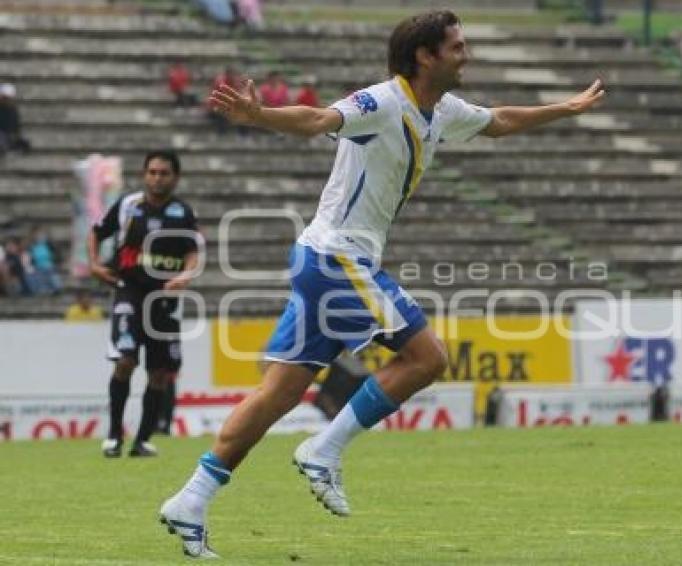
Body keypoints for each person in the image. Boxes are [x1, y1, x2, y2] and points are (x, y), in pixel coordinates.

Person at [158, 10, 604, 558]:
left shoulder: (440, 110)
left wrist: (569, 107)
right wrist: (261, 115)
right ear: (426, 56)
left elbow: (502, 121)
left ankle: (192, 499)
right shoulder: (381, 102)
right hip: (336, 258)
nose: (467, 55)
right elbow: (319, 119)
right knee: (427, 358)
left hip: (323, 259)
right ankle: (324, 449)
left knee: (279, 393)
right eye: (458, 47)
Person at [88, 150, 200, 458]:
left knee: (160, 373)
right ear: (144, 174)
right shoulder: (128, 205)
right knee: (125, 361)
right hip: (130, 291)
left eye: (164, 173)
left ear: (175, 177)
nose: (157, 178)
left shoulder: (183, 212)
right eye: (152, 172)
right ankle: (113, 436)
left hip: (164, 300)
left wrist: (186, 275)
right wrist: (95, 264)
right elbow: (97, 232)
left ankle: (142, 441)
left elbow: (193, 251)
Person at [28, 225, 63, 295]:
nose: (39, 236)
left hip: (49, 266)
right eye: (37, 234)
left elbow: (57, 254)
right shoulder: (31, 246)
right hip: (38, 267)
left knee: (51, 274)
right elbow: (30, 259)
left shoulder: (48, 244)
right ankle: (44, 289)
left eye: (41, 234)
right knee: (38, 275)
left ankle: (56, 288)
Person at [0, 83, 31, 155]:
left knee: (24, 141)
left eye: (9, 98)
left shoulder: (13, 111)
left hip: (9, 136)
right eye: (5, 98)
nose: (7, 100)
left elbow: (16, 128)